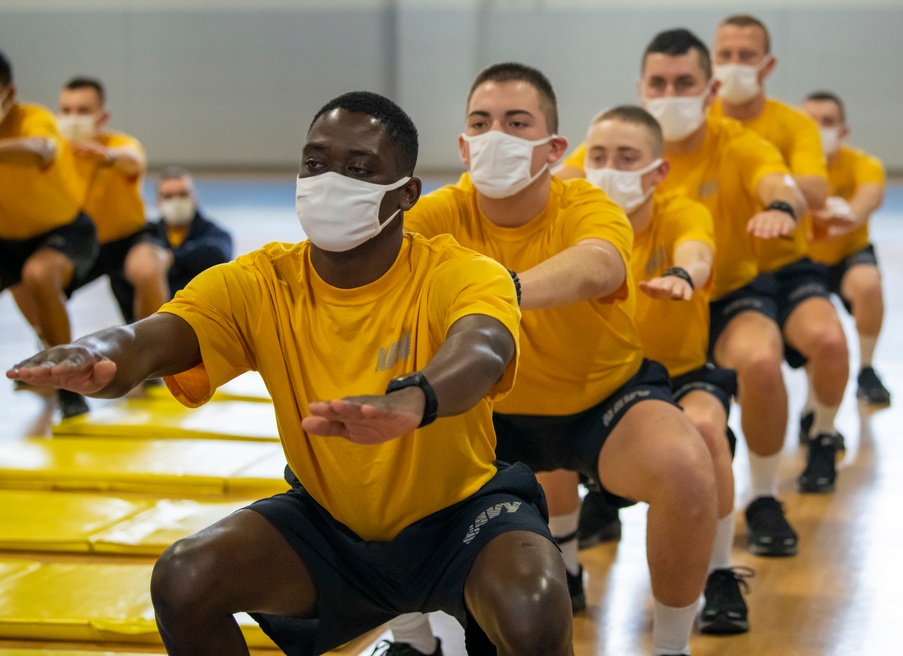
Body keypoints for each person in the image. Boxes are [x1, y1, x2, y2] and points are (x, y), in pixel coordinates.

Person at [7, 91, 574, 656]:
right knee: (185, 578)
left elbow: (485, 344)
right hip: (329, 527)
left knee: (535, 606)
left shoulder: (460, 271)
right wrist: (92, 353)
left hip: (462, 520)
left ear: (405, 194)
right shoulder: (258, 282)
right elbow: (147, 339)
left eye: (358, 168)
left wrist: (418, 398)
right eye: (315, 163)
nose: (330, 179)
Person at [389, 62, 717, 656]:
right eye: (482, 123)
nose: (497, 136)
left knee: (687, 472)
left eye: (518, 123)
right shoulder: (437, 214)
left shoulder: (586, 204)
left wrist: (503, 291)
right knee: (387, 458)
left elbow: (600, 264)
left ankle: (671, 647)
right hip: (492, 416)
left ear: (554, 148)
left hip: (604, 400)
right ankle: (414, 638)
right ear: (464, 146)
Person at [558, 30, 810, 555]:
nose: (670, 92)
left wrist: (781, 208)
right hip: (649, 301)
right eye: (659, 82)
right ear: (641, 85)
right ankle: (605, 495)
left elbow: (779, 183)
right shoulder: (613, 146)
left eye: (684, 82)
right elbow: (554, 186)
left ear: (710, 89)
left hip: (727, 293)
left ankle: (763, 496)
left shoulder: (737, 143)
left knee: (760, 363)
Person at [580, 105, 752, 634]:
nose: (610, 168)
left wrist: (683, 271)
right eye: (600, 156)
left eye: (626, 158)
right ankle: (565, 567)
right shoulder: (573, 214)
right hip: (601, 380)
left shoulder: (681, 212)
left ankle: (720, 575)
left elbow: (698, 252)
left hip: (679, 376)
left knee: (706, 431)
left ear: (658, 171)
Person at [711, 14, 851, 493]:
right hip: (722, 274)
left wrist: (767, 177)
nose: (734, 65)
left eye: (745, 55)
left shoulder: (792, 124)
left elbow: (814, 187)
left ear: (766, 64)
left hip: (788, 267)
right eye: (724, 55)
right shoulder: (701, 126)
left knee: (830, 342)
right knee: (756, 366)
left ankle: (824, 434)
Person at [0, 50, 98, 419]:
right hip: (6, 241)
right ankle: (51, 360)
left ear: (9, 94)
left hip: (64, 231)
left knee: (38, 275)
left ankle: (70, 385)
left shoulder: (34, 119)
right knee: (42, 328)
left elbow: (39, 149)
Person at [55, 76, 173, 324]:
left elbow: (132, 159)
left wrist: (107, 156)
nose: (73, 117)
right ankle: (50, 342)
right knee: (29, 275)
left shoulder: (119, 144)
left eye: (83, 110)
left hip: (127, 240)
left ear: (103, 116)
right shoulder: (55, 151)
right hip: (80, 243)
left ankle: (152, 347)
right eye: (66, 110)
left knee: (149, 269)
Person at [801, 90, 891, 408]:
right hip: (802, 259)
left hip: (847, 253)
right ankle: (812, 408)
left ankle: (866, 370)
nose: (819, 128)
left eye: (828, 122)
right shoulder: (786, 167)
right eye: (810, 121)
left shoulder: (862, 164)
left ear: (843, 130)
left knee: (869, 285)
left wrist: (846, 217)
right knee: (822, 334)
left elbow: (869, 196)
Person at [152, 166, 233, 299]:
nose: (176, 201)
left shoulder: (216, 234)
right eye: (168, 196)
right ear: (157, 202)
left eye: (183, 194)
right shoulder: (149, 234)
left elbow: (220, 255)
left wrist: (170, 258)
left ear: (195, 198)